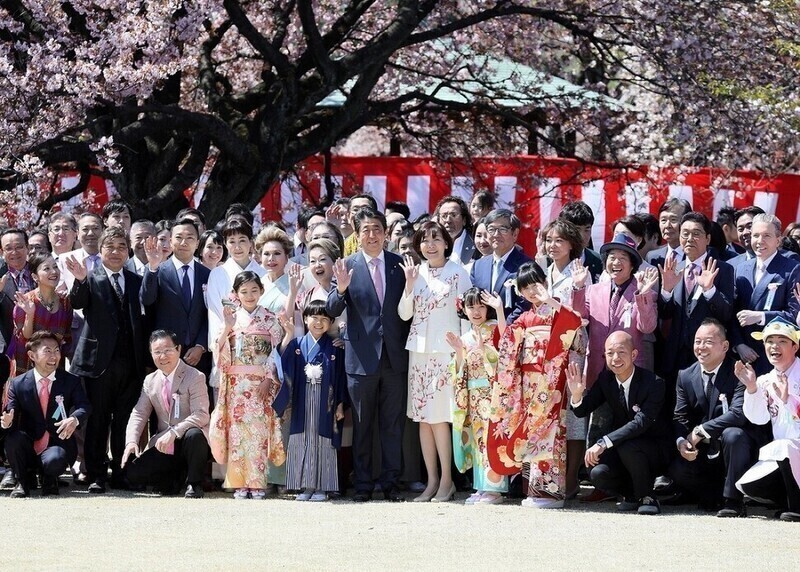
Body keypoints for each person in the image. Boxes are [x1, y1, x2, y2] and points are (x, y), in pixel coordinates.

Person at [327, 207, 410, 502]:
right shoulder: (346, 266)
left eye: (377, 229)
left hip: (395, 358)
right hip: (360, 359)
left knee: (392, 424)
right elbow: (331, 311)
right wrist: (340, 290)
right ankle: (362, 484)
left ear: (386, 233)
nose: (372, 235)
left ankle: (390, 483)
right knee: (362, 426)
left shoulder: (400, 265)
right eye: (366, 230)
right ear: (357, 235)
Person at [487, 262, 583, 508]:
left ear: (545, 283)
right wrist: (499, 310)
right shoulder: (526, 318)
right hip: (528, 383)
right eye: (525, 288)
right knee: (529, 434)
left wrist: (551, 301)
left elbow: (574, 322)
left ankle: (551, 493)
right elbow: (506, 341)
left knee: (550, 433)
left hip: (551, 381)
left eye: (535, 285)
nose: (532, 291)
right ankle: (534, 490)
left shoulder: (557, 309)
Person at [66, 226, 147, 493]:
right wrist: (79, 281)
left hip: (130, 363)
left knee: (124, 420)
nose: (116, 252)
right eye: (110, 247)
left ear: (128, 251)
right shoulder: (91, 277)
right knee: (98, 420)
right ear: (100, 251)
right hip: (98, 364)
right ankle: (96, 474)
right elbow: (77, 303)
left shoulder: (136, 280)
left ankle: (121, 473)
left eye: (121, 247)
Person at [398, 221, 471, 502]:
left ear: (446, 243)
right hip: (419, 352)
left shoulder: (458, 273)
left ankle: (447, 481)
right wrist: (408, 284)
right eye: (425, 240)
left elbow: (466, 315)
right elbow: (405, 314)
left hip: (446, 353)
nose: (430, 245)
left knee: (440, 418)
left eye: (436, 239)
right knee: (422, 420)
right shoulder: (417, 273)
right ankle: (431, 480)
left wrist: (464, 353)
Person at [567, 331, 673, 515]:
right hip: (624, 448)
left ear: (634, 355)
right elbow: (582, 410)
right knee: (598, 472)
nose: (615, 358)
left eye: (621, 352)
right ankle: (631, 495)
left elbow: (641, 423)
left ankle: (648, 497)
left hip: (655, 449)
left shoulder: (654, 383)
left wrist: (603, 442)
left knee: (628, 446)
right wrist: (576, 395)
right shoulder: (606, 379)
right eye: (610, 353)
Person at [668, 319, 760, 517]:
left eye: (708, 341)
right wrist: (681, 441)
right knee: (677, 469)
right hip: (704, 451)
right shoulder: (685, 375)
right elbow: (680, 416)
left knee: (733, 435)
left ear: (725, 346)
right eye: (697, 341)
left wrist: (700, 430)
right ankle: (709, 494)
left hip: (733, 448)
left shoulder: (739, 371)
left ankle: (733, 500)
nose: (701, 347)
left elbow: (738, 414)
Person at [208, 271, 285, 499]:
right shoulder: (231, 319)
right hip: (236, 385)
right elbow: (218, 352)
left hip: (260, 384)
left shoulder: (270, 319)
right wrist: (227, 327)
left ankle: (257, 482)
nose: (249, 295)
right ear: (236, 294)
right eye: (244, 291)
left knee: (258, 434)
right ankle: (239, 483)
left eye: (254, 290)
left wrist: (268, 379)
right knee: (238, 435)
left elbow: (277, 352)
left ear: (261, 291)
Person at [121, 330, 210, 499]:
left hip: (188, 440)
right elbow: (139, 413)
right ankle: (175, 477)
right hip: (164, 443)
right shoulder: (150, 380)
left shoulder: (195, 376)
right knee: (133, 474)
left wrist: (174, 432)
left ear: (179, 349)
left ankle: (194, 483)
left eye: (168, 350)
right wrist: (131, 441)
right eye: (157, 352)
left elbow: (201, 415)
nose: (163, 356)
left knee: (194, 435)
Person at [1, 331, 91, 497]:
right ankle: (22, 481)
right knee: (13, 439)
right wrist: (7, 421)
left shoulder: (70, 380)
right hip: (29, 443)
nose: (54, 356)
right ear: (32, 355)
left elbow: (84, 406)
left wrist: (74, 419)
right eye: (47, 351)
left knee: (55, 460)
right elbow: (10, 411)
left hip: (56, 444)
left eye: (56, 351)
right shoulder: (18, 383)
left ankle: (50, 479)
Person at [274, 301, 346, 501]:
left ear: (331, 323)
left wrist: (340, 403)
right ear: (305, 319)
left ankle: (323, 487)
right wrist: (288, 335)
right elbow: (282, 363)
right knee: (302, 439)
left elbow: (340, 377)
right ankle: (305, 487)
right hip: (302, 400)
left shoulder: (334, 347)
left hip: (326, 402)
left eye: (325, 319)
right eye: (314, 317)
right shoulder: (297, 345)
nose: (319, 322)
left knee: (323, 440)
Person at [446, 287, 508, 505]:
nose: (477, 311)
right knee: (477, 441)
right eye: (471, 307)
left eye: (481, 306)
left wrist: (499, 311)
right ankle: (481, 486)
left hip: (492, 394)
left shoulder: (493, 328)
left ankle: (495, 489)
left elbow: (507, 346)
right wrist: (460, 352)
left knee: (491, 440)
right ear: (463, 309)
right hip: (473, 394)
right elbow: (459, 371)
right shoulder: (466, 336)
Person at [736, 318, 800, 521]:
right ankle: (789, 501)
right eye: (769, 341)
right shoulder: (765, 379)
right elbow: (758, 418)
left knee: (783, 447)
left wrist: (787, 399)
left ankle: (796, 507)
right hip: (787, 456)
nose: (774, 346)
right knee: (749, 485)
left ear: (795, 346)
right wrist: (752, 388)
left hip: (793, 449)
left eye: (782, 341)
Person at [658, 213, 735, 380]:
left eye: (696, 233)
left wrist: (710, 290)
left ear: (707, 239)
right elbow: (664, 314)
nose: (690, 238)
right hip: (675, 357)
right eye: (685, 233)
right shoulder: (673, 269)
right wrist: (666, 290)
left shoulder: (723, 269)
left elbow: (726, 314)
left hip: (708, 356)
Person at [731, 214, 800, 375]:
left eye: (766, 235)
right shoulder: (741, 268)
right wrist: (739, 344)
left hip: (776, 355)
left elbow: (794, 315)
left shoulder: (792, 269)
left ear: (778, 240)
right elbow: (731, 313)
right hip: (744, 356)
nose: (759, 241)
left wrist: (760, 316)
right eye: (755, 235)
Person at [141, 218, 211, 377]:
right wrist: (152, 267)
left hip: (198, 356)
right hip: (167, 354)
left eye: (190, 237)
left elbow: (210, 314)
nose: (184, 242)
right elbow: (146, 299)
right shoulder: (158, 270)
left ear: (198, 242)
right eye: (179, 237)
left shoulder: (207, 274)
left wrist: (201, 346)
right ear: (171, 241)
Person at [12, 252, 73, 372]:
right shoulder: (25, 302)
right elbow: (25, 338)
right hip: (28, 367)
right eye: (47, 268)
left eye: (55, 267)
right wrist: (30, 314)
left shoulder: (65, 303)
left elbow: (67, 339)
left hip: (54, 367)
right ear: (35, 277)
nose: (54, 272)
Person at [469, 208, 532, 322]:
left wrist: (502, 330)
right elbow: (474, 301)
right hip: (482, 333)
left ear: (515, 234)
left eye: (503, 229)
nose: (496, 235)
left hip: (514, 332)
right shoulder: (478, 266)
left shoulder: (527, 265)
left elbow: (525, 305)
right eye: (491, 229)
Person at [0, 229, 33, 356]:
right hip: (7, 349)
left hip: (38, 344)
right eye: (8, 248)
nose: (14, 252)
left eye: (19, 247)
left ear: (27, 248)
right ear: (2, 252)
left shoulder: (40, 271)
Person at [559, 201, 603, 281]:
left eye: (587, 229)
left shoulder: (598, 261)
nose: (582, 236)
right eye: (577, 229)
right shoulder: (550, 260)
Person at [255, 225, 294, 313]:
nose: (271, 258)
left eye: (277, 253)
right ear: (260, 257)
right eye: (266, 254)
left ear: (286, 257)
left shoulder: (294, 284)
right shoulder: (257, 283)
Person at [646, 198, 693, 267]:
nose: (667, 225)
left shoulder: (699, 254)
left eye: (673, 220)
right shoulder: (652, 257)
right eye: (663, 220)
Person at [435, 196, 477, 265]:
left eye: (453, 215)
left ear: (464, 220)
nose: (448, 220)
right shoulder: (433, 244)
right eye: (444, 216)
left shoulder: (476, 243)